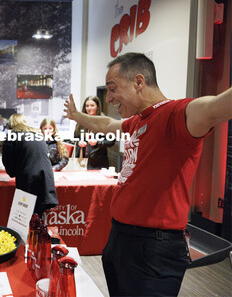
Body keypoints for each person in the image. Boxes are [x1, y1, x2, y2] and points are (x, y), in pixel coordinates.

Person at [63, 52, 232, 296]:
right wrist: (78, 116)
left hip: (153, 248)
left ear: (139, 82)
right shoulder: (138, 121)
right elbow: (108, 125)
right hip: (121, 238)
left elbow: (217, 107)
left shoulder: (177, 114)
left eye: (112, 89)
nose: (108, 98)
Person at [2, 113, 58, 217]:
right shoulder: (37, 133)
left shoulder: (12, 135)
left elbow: (10, 170)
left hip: (29, 182)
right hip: (46, 180)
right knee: (38, 220)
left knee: (24, 220)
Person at [74, 96, 115, 170]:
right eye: (87, 106)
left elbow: (111, 141)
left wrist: (98, 142)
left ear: (98, 107)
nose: (89, 108)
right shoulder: (80, 122)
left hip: (98, 162)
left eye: (92, 105)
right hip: (82, 161)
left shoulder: (105, 122)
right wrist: (79, 142)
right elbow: (76, 138)